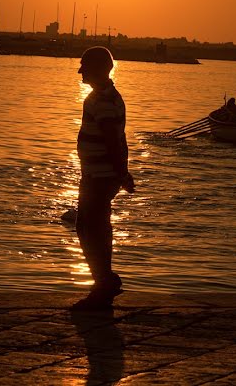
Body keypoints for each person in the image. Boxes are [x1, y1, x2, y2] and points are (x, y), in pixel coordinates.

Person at [72, 46, 136, 311]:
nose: (80, 72)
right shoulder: (102, 97)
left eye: (85, 67)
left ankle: (104, 282)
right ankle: (104, 280)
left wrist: (121, 173)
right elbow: (120, 140)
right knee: (89, 227)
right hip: (97, 174)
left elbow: (113, 139)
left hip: (101, 176)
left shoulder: (104, 100)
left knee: (92, 228)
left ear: (99, 69)